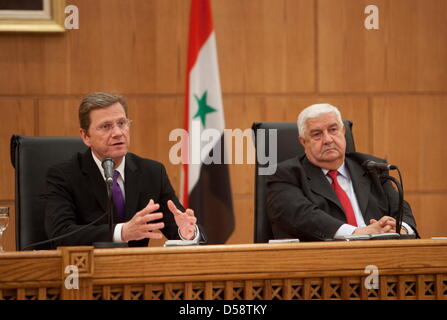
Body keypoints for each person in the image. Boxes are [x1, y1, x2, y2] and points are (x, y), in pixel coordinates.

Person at [45, 92, 206, 247]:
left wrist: (187, 233)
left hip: (137, 272)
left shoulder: (152, 173)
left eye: (121, 123)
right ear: (86, 136)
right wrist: (122, 232)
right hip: (86, 270)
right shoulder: (64, 176)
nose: (117, 133)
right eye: (106, 126)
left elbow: (177, 227)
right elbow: (60, 234)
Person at [266, 103, 418, 241]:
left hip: (381, 257)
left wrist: (399, 229)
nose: (327, 139)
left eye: (333, 130)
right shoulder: (285, 175)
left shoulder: (371, 167)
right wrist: (357, 233)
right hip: (322, 264)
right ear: (303, 141)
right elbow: (303, 216)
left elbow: (400, 209)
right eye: (316, 134)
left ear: (343, 132)